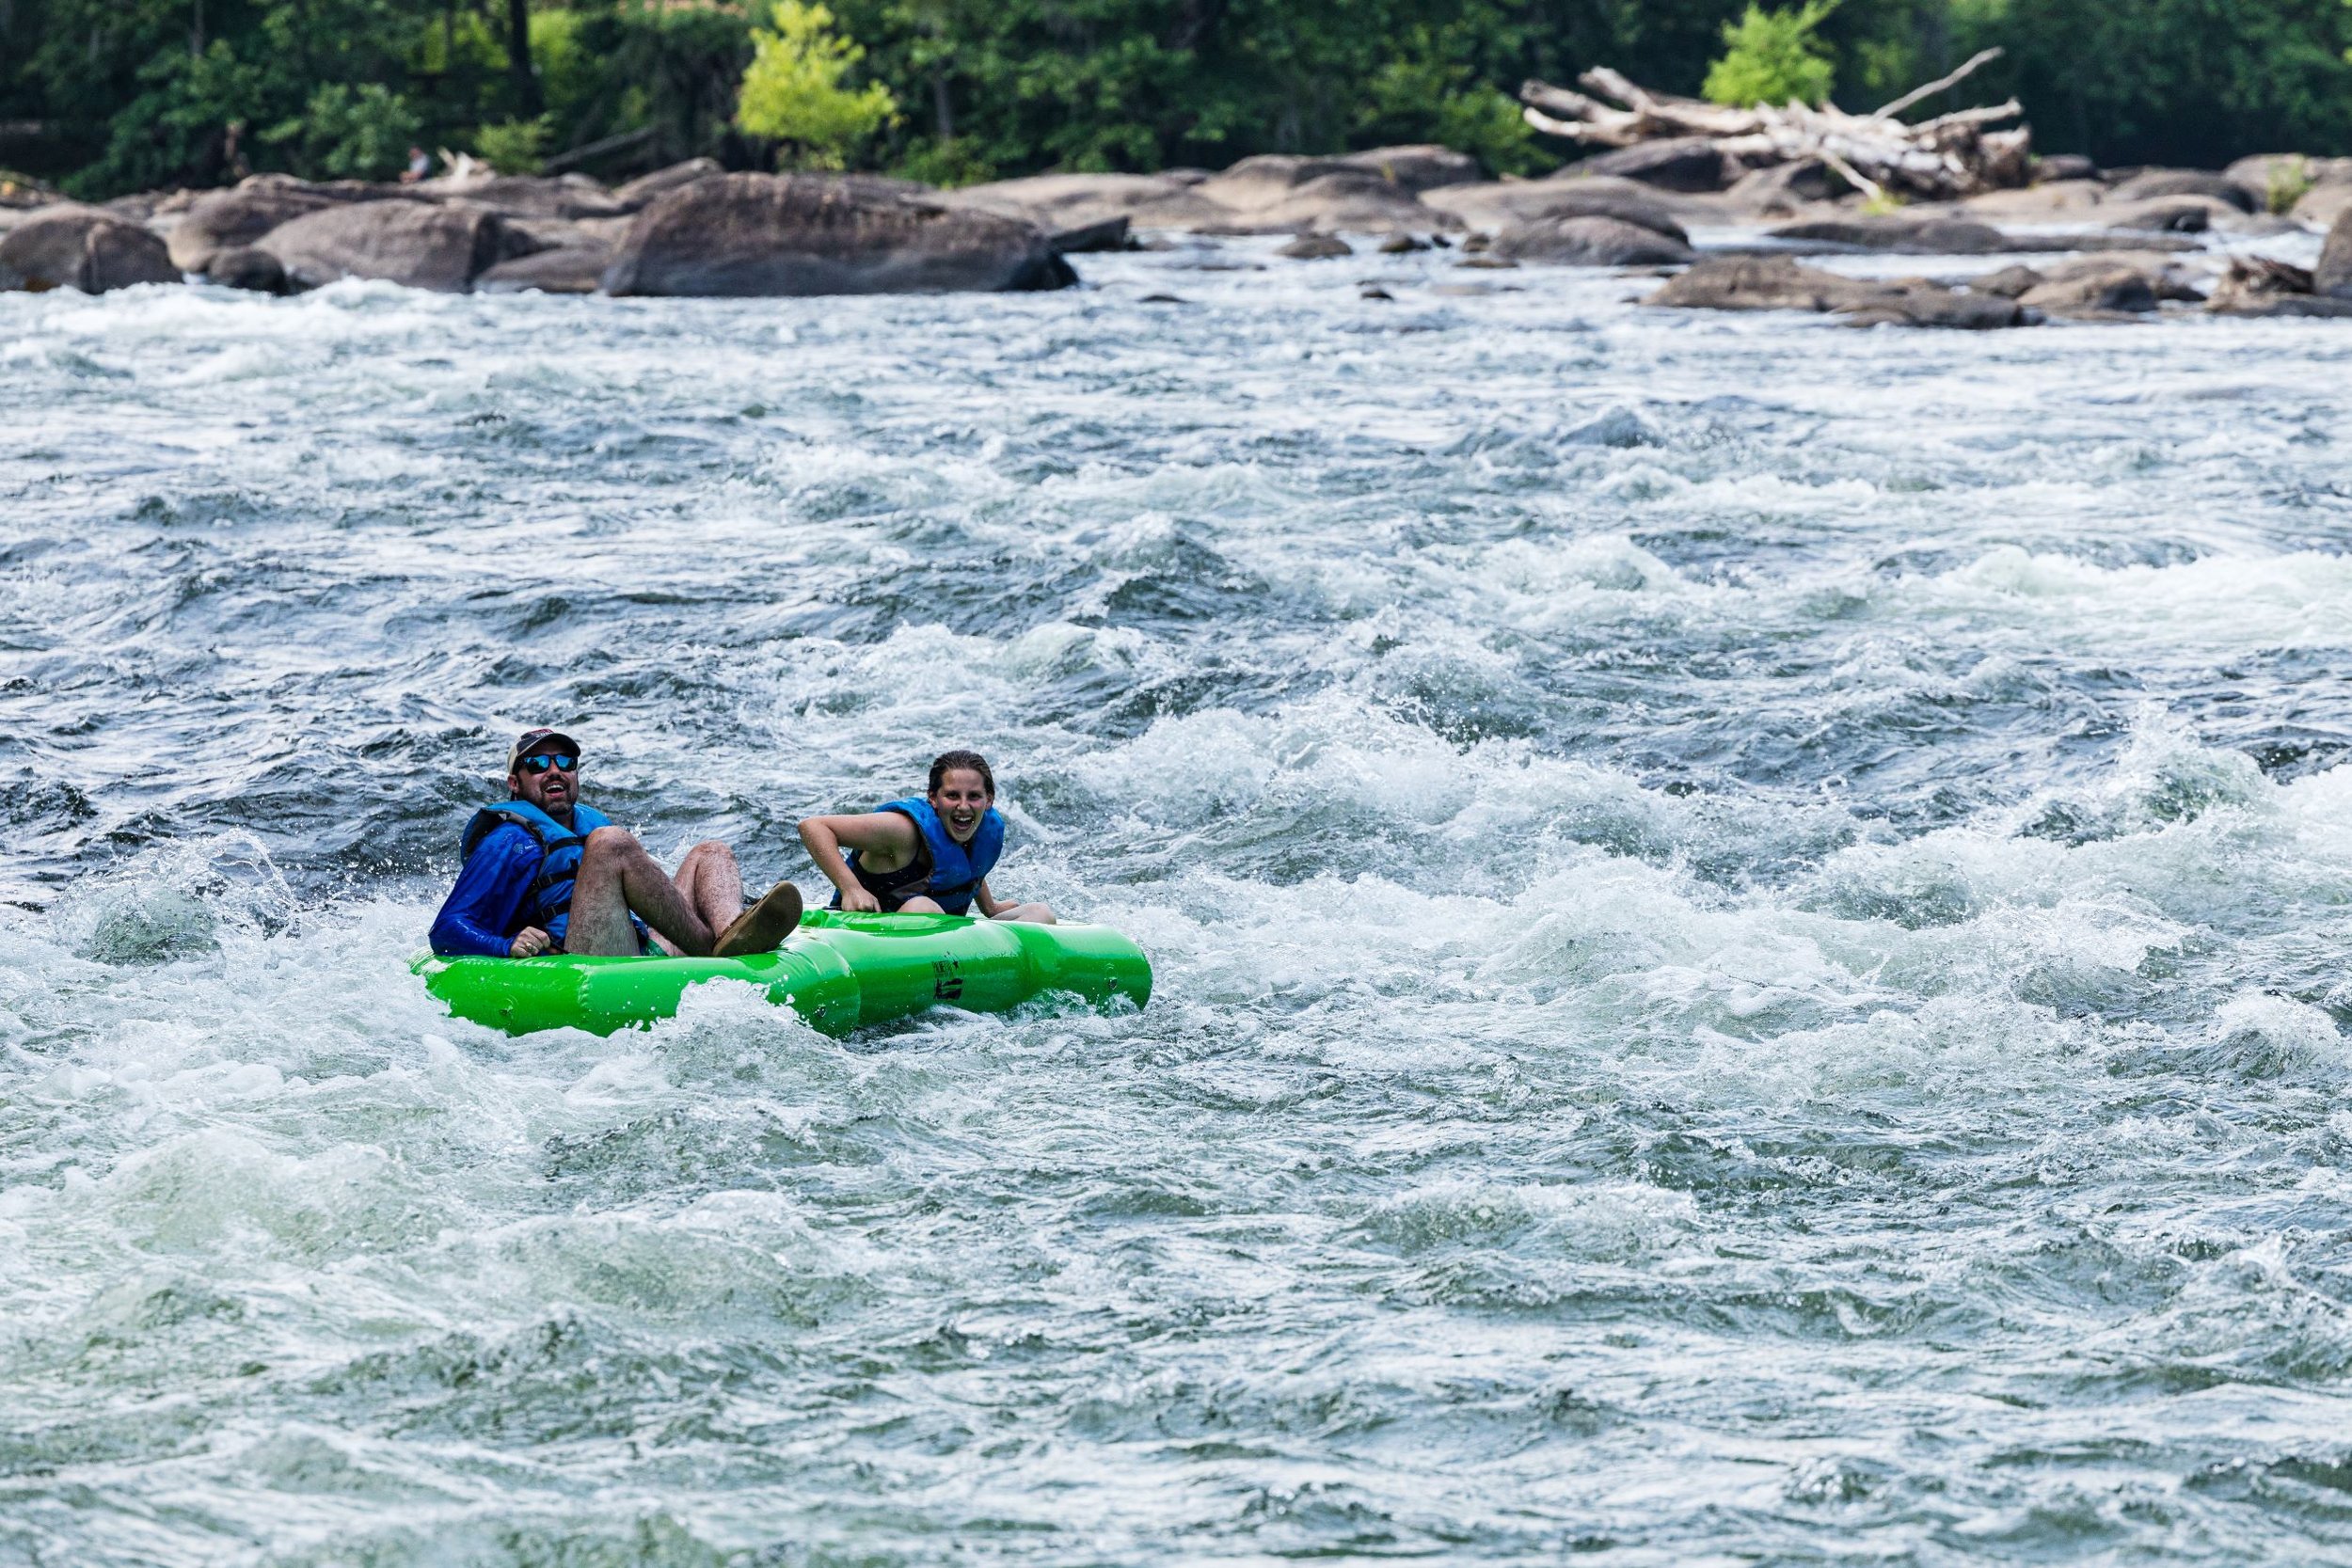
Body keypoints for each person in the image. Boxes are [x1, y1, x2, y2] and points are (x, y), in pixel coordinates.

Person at [430, 728, 801, 958]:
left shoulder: (590, 823)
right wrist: (505, 944)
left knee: (711, 851)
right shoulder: (508, 841)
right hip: (581, 960)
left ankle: (731, 932)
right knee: (609, 843)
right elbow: (446, 928)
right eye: (539, 763)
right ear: (515, 783)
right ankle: (712, 950)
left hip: (632, 944)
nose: (555, 770)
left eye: (566, 762)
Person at [799, 750, 1055, 923]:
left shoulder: (982, 828)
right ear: (933, 798)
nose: (964, 806)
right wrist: (851, 888)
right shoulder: (903, 830)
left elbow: (966, 869)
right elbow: (814, 826)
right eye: (952, 795)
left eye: (974, 796)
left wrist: (991, 908)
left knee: (1040, 913)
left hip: (948, 944)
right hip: (866, 935)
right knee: (922, 908)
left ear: (989, 800)